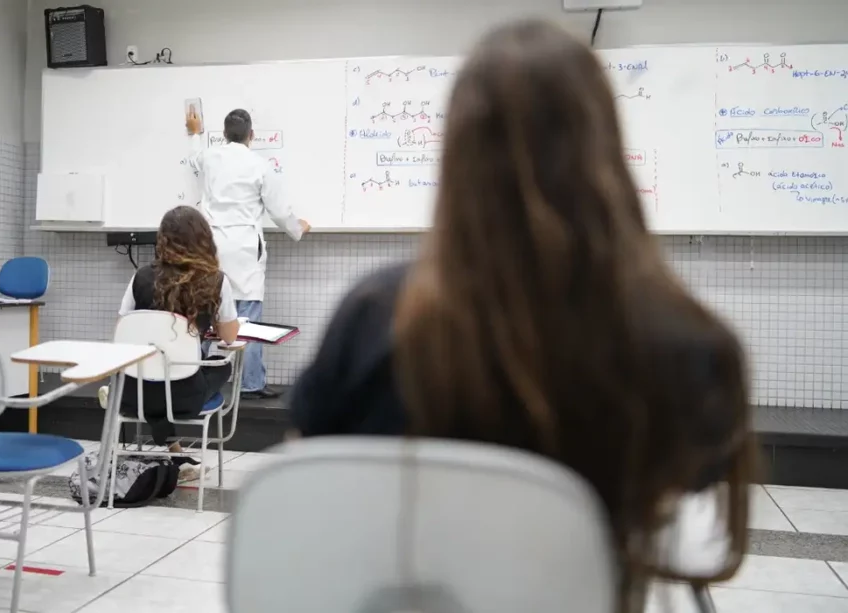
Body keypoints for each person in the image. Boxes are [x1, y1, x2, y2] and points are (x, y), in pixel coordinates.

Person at [287, 20, 754, 612]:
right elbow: (683, 518)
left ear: (458, 153)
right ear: (604, 148)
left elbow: (306, 486)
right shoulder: (693, 346)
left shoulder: (377, 318)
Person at [185, 107, 310, 399]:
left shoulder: (210, 156)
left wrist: (194, 133)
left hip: (212, 246)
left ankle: (191, 375)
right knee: (248, 319)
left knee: (205, 311)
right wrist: (298, 229)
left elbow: (193, 159)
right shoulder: (260, 165)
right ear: (251, 136)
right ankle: (251, 383)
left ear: (224, 134)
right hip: (244, 247)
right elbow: (279, 211)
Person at [102, 206, 240, 453]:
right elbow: (230, 337)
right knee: (222, 364)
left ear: (162, 239)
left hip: (133, 394)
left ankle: (174, 450)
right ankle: (176, 453)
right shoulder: (216, 280)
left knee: (157, 372)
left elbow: (121, 331)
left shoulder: (140, 276)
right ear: (204, 239)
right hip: (183, 398)